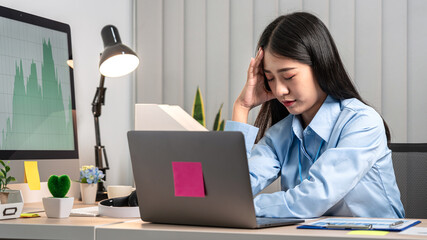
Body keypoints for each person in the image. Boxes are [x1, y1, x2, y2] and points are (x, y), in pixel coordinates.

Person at [225, 12, 404, 219]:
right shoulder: (281, 134)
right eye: (270, 79)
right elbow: (232, 190)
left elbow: (313, 198)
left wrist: (242, 206)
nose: (279, 90)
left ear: (320, 66)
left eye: (288, 76)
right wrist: (242, 107)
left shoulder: (362, 122)